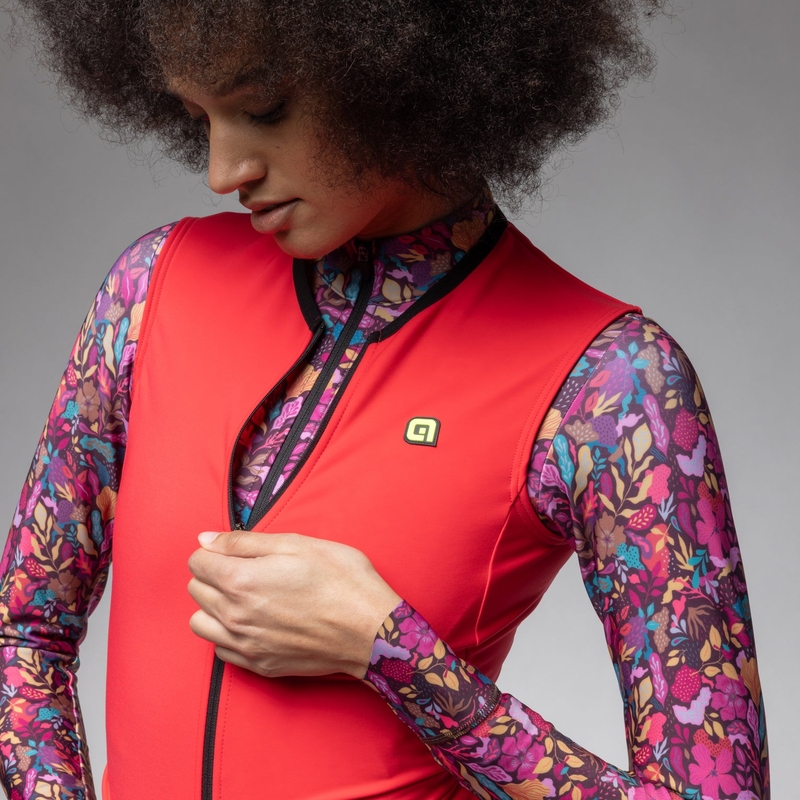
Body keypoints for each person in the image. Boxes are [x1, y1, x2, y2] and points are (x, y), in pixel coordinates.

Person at [0, 1, 770, 799]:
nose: (223, 171)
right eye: (199, 117)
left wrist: (390, 651)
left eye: (264, 109)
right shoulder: (150, 291)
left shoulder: (611, 386)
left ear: (400, 75)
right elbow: (24, 636)